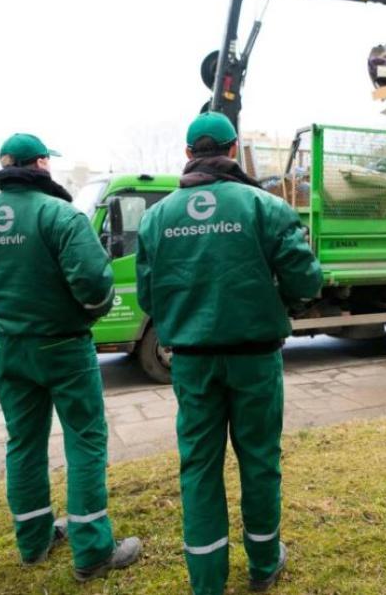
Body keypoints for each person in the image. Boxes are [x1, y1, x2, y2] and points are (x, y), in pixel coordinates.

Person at [136, 112, 323, 595]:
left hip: (192, 362)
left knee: (198, 465)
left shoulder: (157, 217)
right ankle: (263, 564)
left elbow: (147, 297)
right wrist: (281, 299)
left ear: (187, 154)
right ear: (234, 149)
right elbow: (307, 280)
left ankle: (206, 580)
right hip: (255, 359)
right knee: (259, 459)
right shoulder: (266, 207)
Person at [0, 133, 141, 582]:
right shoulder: (60, 215)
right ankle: (92, 550)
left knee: (24, 444)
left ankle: (33, 541)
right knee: (86, 441)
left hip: (11, 349)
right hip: (64, 347)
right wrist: (83, 314)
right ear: (40, 164)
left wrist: (5, 309)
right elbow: (95, 285)